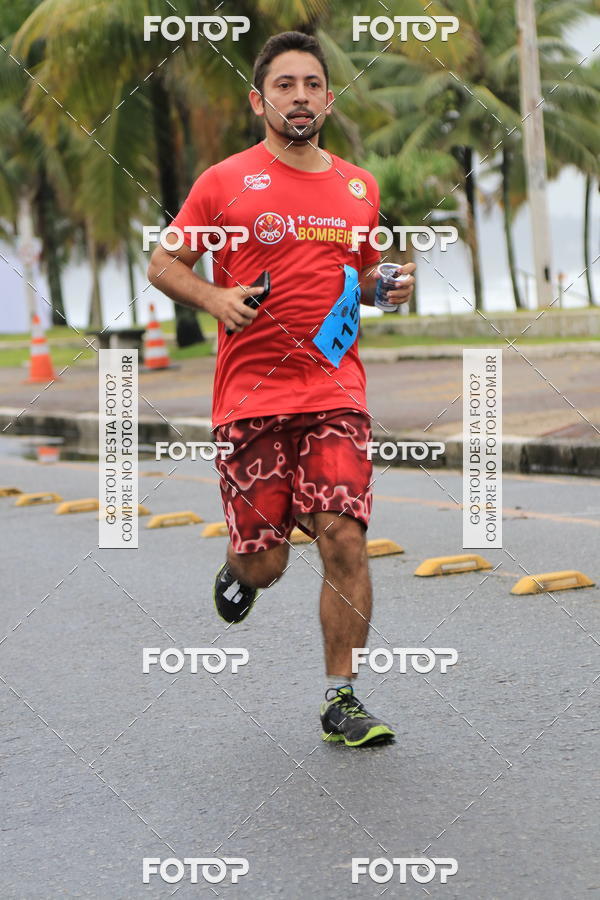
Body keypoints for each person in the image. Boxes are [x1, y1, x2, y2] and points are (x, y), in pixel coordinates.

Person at [148, 31, 416, 747]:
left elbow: (356, 282)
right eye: (286, 85)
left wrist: (384, 287)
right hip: (250, 399)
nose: (300, 96)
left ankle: (342, 699)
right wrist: (215, 299)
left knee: (345, 539)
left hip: (335, 389)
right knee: (265, 563)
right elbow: (162, 262)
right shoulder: (224, 181)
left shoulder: (359, 187)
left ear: (329, 96)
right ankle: (241, 565)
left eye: (312, 84)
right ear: (258, 98)